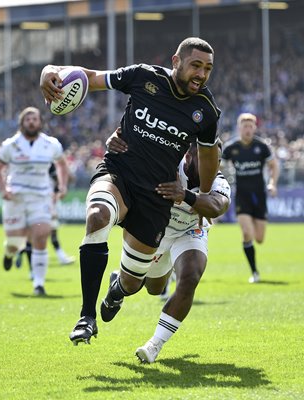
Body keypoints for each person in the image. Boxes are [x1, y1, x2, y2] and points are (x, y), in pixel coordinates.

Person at [40, 37, 221, 345]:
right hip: (119, 172)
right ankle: (86, 317)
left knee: (141, 283)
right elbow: (91, 77)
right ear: (176, 61)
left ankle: (118, 289)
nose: (201, 74)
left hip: (156, 195)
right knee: (98, 217)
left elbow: (208, 155)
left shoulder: (205, 110)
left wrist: (201, 198)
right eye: (196, 66)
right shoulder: (144, 76)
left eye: (207, 69)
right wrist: (50, 70)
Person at [107, 134, 230, 363]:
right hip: (156, 230)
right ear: (189, 154)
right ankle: (119, 285)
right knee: (150, 288)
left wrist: (186, 195)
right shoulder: (167, 165)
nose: (214, 164)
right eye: (207, 158)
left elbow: (217, 206)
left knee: (191, 276)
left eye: (218, 160)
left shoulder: (218, 181)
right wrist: (114, 141)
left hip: (189, 232)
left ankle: (155, 344)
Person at [0, 107, 69, 296]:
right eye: (28, 119)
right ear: (22, 123)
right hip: (16, 198)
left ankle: (39, 285)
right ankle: (10, 252)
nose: (32, 122)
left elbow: (62, 164)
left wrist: (63, 186)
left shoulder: (51, 144)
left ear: (40, 122)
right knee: (15, 242)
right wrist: (3, 189)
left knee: (41, 235)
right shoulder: (11, 145)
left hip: (41, 197)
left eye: (35, 119)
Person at [221, 113, 279, 283]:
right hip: (242, 196)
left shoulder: (262, 147)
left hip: (259, 196)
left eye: (250, 126)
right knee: (247, 233)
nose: (247, 129)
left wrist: (273, 184)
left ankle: (254, 259)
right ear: (239, 128)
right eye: (244, 126)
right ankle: (254, 272)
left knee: (259, 239)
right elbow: (218, 166)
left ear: (254, 128)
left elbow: (273, 166)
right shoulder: (231, 148)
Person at [15, 163, 75, 270]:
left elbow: (67, 180)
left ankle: (22, 250)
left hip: (46, 204)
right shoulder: (47, 172)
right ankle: (24, 252)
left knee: (45, 233)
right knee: (44, 233)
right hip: (43, 206)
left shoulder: (52, 170)